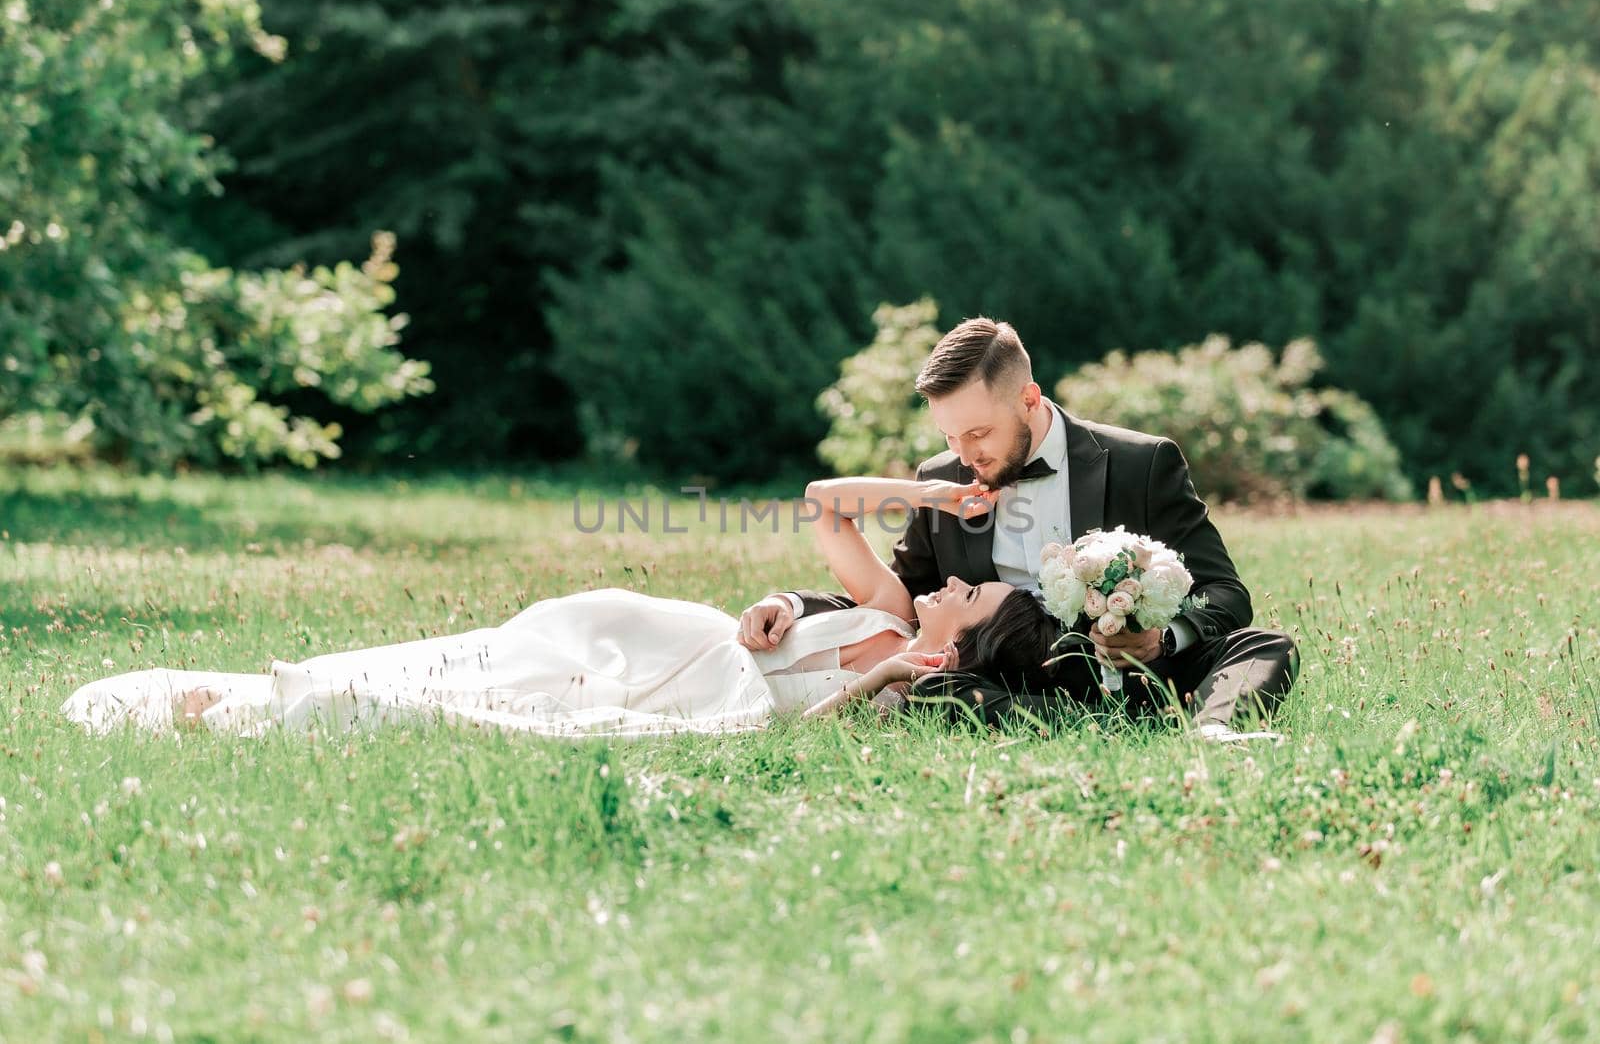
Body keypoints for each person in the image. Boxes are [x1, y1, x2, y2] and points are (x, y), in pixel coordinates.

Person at [59, 478, 1059, 739]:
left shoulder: (896, 686)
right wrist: (926, 497)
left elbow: (797, 734)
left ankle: (298, 700)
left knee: (528, 704)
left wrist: (881, 676)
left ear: (960, 647)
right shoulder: (882, 605)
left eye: (967, 594)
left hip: (696, 699)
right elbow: (824, 503)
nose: (947, 580)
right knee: (502, 658)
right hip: (663, 633)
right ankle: (312, 681)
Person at [739, 317, 1298, 737]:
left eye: (978, 434)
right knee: (935, 688)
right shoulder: (942, 480)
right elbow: (903, 599)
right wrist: (795, 603)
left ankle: (1216, 732)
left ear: (1029, 399)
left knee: (1266, 646)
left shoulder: (1140, 463)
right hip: (999, 683)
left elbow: (1225, 592)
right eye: (950, 437)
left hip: (1132, 669)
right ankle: (1074, 722)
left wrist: (1159, 639)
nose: (964, 454)